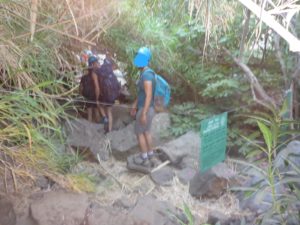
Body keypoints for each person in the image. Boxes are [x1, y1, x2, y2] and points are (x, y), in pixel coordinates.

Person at [131, 47, 158, 167]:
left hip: (146, 109)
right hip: (147, 108)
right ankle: (151, 156)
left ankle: (144, 158)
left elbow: (148, 95)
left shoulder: (146, 75)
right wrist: (134, 105)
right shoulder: (147, 73)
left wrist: (143, 113)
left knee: (139, 133)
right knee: (146, 132)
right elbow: (142, 94)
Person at [79, 56, 106, 122]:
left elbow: (81, 87)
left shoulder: (84, 75)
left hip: (87, 95)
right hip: (94, 95)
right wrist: (97, 98)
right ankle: (99, 128)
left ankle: (89, 127)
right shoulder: (95, 74)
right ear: (93, 64)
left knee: (90, 113)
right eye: (96, 62)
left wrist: (81, 95)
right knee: (96, 111)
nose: (98, 63)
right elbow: (97, 87)